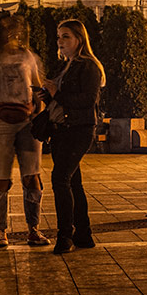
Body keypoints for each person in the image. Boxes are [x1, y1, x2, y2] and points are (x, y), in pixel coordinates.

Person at [0, 14, 49, 248]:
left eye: (16, 29)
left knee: (32, 176)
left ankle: (33, 230)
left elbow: (38, 87)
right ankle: (0, 231)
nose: (13, 34)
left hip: (27, 122)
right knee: (0, 179)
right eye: (8, 29)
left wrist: (39, 112)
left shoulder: (27, 56)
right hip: (1, 124)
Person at [45, 18, 105, 254]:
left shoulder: (88, 65)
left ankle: (64, 236)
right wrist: (47, 95)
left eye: (66, 36)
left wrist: (56, 93)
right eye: (58, 37)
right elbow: (63, 97)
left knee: (60, 180)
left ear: (79, 39)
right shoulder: (68, 65)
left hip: (78, 129)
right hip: (62, 130)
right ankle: (83, 234)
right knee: (73, 183)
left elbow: (87, 100)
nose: (60, 41)